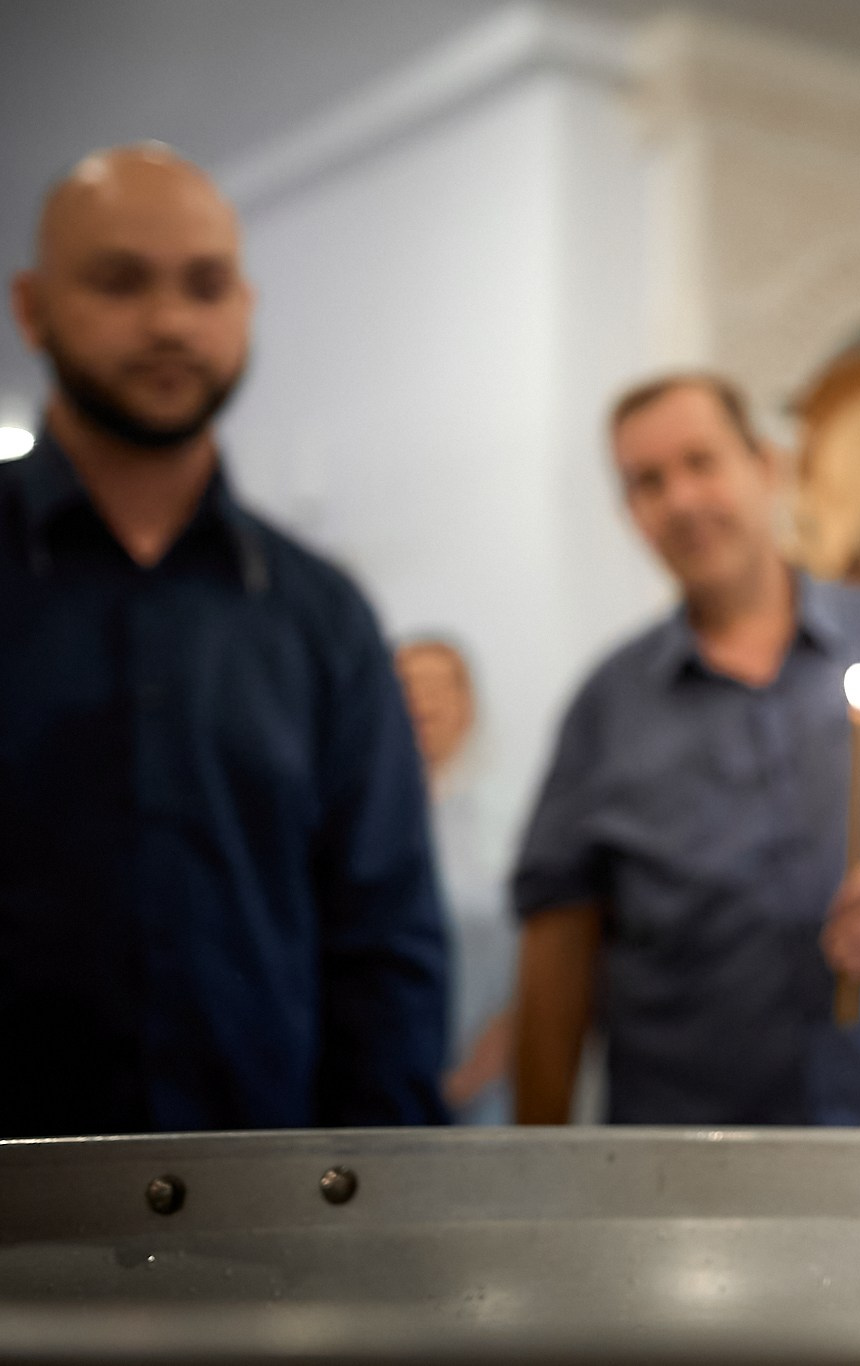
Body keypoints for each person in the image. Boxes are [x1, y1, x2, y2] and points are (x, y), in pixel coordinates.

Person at [0, 144, 448, 1136]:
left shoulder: (323, 615)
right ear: (30, 309)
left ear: (242, 306)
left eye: (204, 285)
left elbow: (385, 945)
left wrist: (375, 1217)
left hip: (263, 1230)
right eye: (120, 281)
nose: (168, 321)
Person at [512, 374, 860, 1128]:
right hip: (685, 1143)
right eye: (648, 482)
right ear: (631, 513)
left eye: (701, 462)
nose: (681, 500)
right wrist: (533, 1159)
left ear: (766, 466)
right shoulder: (607, 705)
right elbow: (559, 940)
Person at [395, 636, 516, 1125]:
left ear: (467, 706)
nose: (421, 702)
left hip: (490, 1083)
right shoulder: (353, 832)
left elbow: (541, 960)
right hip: (386, 1084)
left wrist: (490, 1058)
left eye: (437, 687)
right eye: (405, 688)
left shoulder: (511, 825)